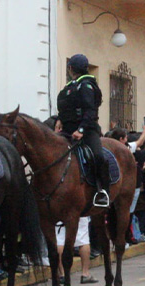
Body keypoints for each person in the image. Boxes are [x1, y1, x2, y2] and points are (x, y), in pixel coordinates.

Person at [57, 54, 109, 207]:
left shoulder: (86, 85)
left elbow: (90, 111)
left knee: (98, 156)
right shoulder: (69, 87)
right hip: (66, 130)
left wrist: (81, 129)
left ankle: (102, 191)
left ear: (71, 68)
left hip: (87, 130)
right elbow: (66, 109)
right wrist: (59, 119)